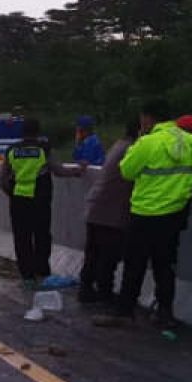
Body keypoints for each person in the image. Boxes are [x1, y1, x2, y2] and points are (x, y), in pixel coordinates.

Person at [95, 99, 192, 330]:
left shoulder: (148, 142)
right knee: (165, 266)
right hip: (174, 215)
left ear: (148, 118)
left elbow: (127, 171)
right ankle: (165, 313)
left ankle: (124, 312)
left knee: (134, 265)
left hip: (144, 213)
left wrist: (140, 141)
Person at [0, 117, 84, 288]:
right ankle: (42, 270)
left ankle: (27, 275)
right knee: (42, 235)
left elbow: (3, 179)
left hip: (19, 200)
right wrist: (78, 170)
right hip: (40, 199)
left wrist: (13, 193)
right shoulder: (43, 149)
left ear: (22, 132)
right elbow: (59, 170)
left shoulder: (11, 150)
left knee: (22, 238)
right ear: (38, 132)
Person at [78, 118, 139, 304]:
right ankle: (104, 293)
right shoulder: (132, 149)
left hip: (96, 206)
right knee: (108, 255)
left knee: (94, 254)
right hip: (111, 211)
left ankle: (86, 290)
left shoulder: (118, 145)